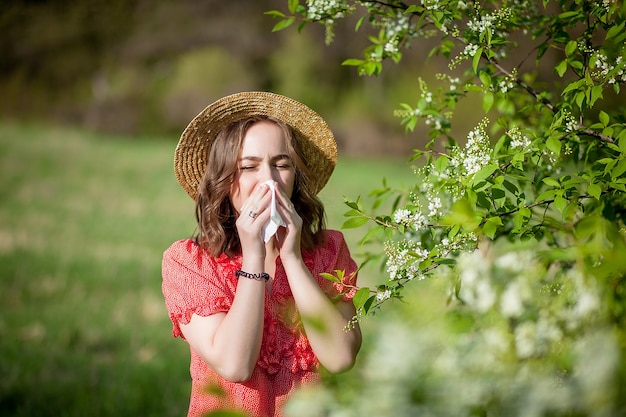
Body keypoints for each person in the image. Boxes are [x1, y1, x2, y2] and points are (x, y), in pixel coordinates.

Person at [161, 91, 362, 417]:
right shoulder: (190, 263)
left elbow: (341, 358)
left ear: (295, 177)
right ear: (224, 180)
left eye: (281, 164)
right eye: (249, 166)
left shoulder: (328, 251)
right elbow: (235, 365)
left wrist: (293, 258)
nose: (268, 181)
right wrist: (254, 257)